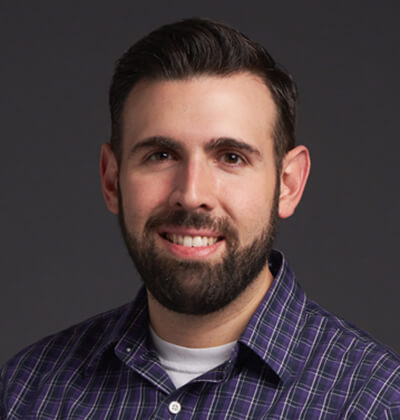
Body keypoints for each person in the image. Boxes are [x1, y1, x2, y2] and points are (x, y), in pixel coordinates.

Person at [1, 18, 399, 419]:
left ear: (288, 184)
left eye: (231, 157)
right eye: (160, 155)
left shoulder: (375, 402)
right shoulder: (29, 390)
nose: (192, 195)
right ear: (111, 179)